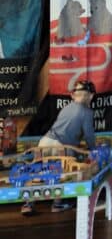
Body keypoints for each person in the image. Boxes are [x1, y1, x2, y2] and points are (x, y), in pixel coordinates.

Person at [22, 80, 97, 215]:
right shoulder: (87, 112)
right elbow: (89, 135)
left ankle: (28, 204)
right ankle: (58, 204)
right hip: (61, 146)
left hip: (44, 141)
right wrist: (93, 149)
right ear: (91, 96)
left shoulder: (67, 108)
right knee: (61, 174)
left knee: (38, 172)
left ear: (73, 95)